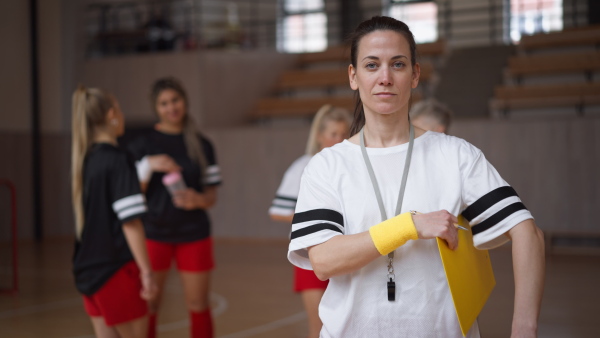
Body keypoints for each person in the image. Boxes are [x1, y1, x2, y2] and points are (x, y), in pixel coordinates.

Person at [287, 16, 545, 338]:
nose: (385, 77)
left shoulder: (456, 155)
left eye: (397, 64)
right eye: (371, 65)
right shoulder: (327, 165)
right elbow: (323, 259)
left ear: (415, 75)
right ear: (353, 76)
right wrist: (408, 226)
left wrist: (524, 326)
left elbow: (527, 232)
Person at [128, 77, 222, 338]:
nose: (171, 107)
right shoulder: (142, 145)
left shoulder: (202, 144)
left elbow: (211, 195)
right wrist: (147, 166)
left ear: (185, 101)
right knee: (150, 304)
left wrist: (198, 199)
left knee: (198, 304)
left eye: (175, 100)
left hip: (194, 233)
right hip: (153, 233)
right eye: (164, 103)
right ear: (156, 108)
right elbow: (133, 196)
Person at [71, 85, 157, 338]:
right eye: (119, 108)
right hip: (115, 271)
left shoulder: (86, 159)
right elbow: (130, 223)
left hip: (87, 271)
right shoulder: (118, 159)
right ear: (111, 115)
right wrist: (147, 272)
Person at [269, 105, 351, 338]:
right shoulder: (303, 166)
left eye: (343, 134)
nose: (338, 140)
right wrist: (319, 218)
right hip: (311, 255)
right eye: (333, 134)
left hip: (348, 254)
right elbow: (278, 211)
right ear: (319, 135)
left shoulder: (353, 166)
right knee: (318, 328)